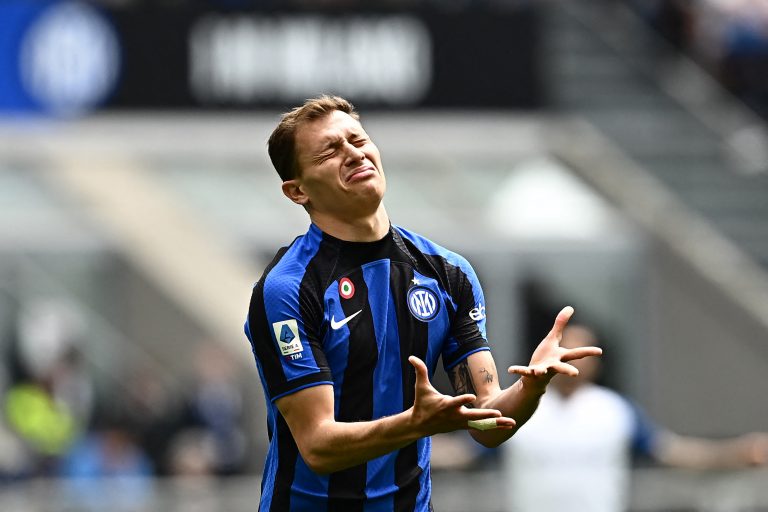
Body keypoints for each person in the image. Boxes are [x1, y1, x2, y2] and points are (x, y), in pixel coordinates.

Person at [244, 95, 602, 511]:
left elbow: (486, 421)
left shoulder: (447, 273)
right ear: (297, 191)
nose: (353, 153)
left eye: (357, 139)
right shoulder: (288, 288)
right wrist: (415, 424)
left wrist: (530, 388)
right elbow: (318, 446)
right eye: (330, 150)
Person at [502, 324, 768, 512]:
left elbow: (673, 451)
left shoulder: (614, 410)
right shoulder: (521, 407)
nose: (574, 359)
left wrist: (738, 453)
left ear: (597, 361)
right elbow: (470, 450)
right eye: (566, 348)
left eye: (582, 351)